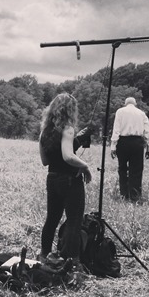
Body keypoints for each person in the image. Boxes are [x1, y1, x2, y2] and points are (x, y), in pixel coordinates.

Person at [39, 93, 92, 267]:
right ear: (70, 110)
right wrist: (85, 166)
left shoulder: (44, 131)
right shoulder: (68, 128)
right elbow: (68, 156)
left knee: (52, 219)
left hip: (52, 179)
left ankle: (44, 255)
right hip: (70, 180)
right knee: (74, 221)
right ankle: (73, 262)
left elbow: (45, 161)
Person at [110, 97, 149, 202]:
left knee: (122, 169)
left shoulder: (120, 112)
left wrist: (113, 146)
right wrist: (148, 148)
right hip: (137, 143)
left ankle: (124, 195)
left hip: (122, 142)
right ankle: (135, 196)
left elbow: (116, 129)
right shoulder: (141, 113)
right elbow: (147, 131)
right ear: (135, 104)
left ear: (125, 103)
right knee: (136, 170)